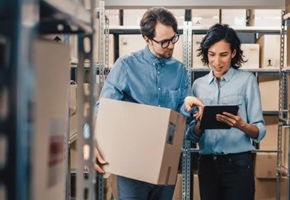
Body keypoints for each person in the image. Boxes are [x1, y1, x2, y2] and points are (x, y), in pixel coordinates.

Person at [94, 7, 204, 200]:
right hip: (132, 166)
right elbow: (103, 109)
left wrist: (186, 104)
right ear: (146, 39)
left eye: (173, 38)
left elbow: (179, 118)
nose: (171, 46)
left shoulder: (179, 71)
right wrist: (92, 141)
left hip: (165, 163)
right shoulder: (126, 66)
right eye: (164, 42)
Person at [184, 23, 266, 200]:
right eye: (212, 55)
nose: (217, 62)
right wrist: (200, 123)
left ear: (233, 53)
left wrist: (242, 125)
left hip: (238, 164)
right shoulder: (198, 86)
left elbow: (260, 131)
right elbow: (191, 136)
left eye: (224, 55)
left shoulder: (247, 81)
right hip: (207, 165)